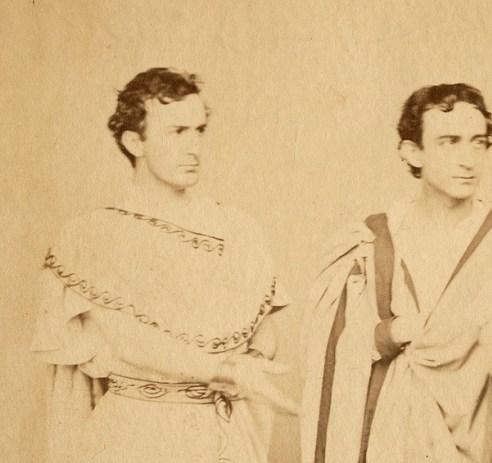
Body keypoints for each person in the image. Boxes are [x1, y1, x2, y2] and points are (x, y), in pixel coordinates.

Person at [31, 68, 297, 463]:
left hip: (223, 433)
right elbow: (131, 342)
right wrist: (226, 371)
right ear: (134, 142)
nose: (194, 147)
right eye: (177, 132)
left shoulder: (239, 229)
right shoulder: (92, 235)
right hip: (137, 434)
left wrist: (253, 364)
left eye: (199, 130)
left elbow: (263, 332)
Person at [301, 84, 492, 462]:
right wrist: (393, 332)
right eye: (449, 143)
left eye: (478, 143)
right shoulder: (374, 241)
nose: (468, 160)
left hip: (487, 434)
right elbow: (333, 352)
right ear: (412, 151)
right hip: (396, 438)